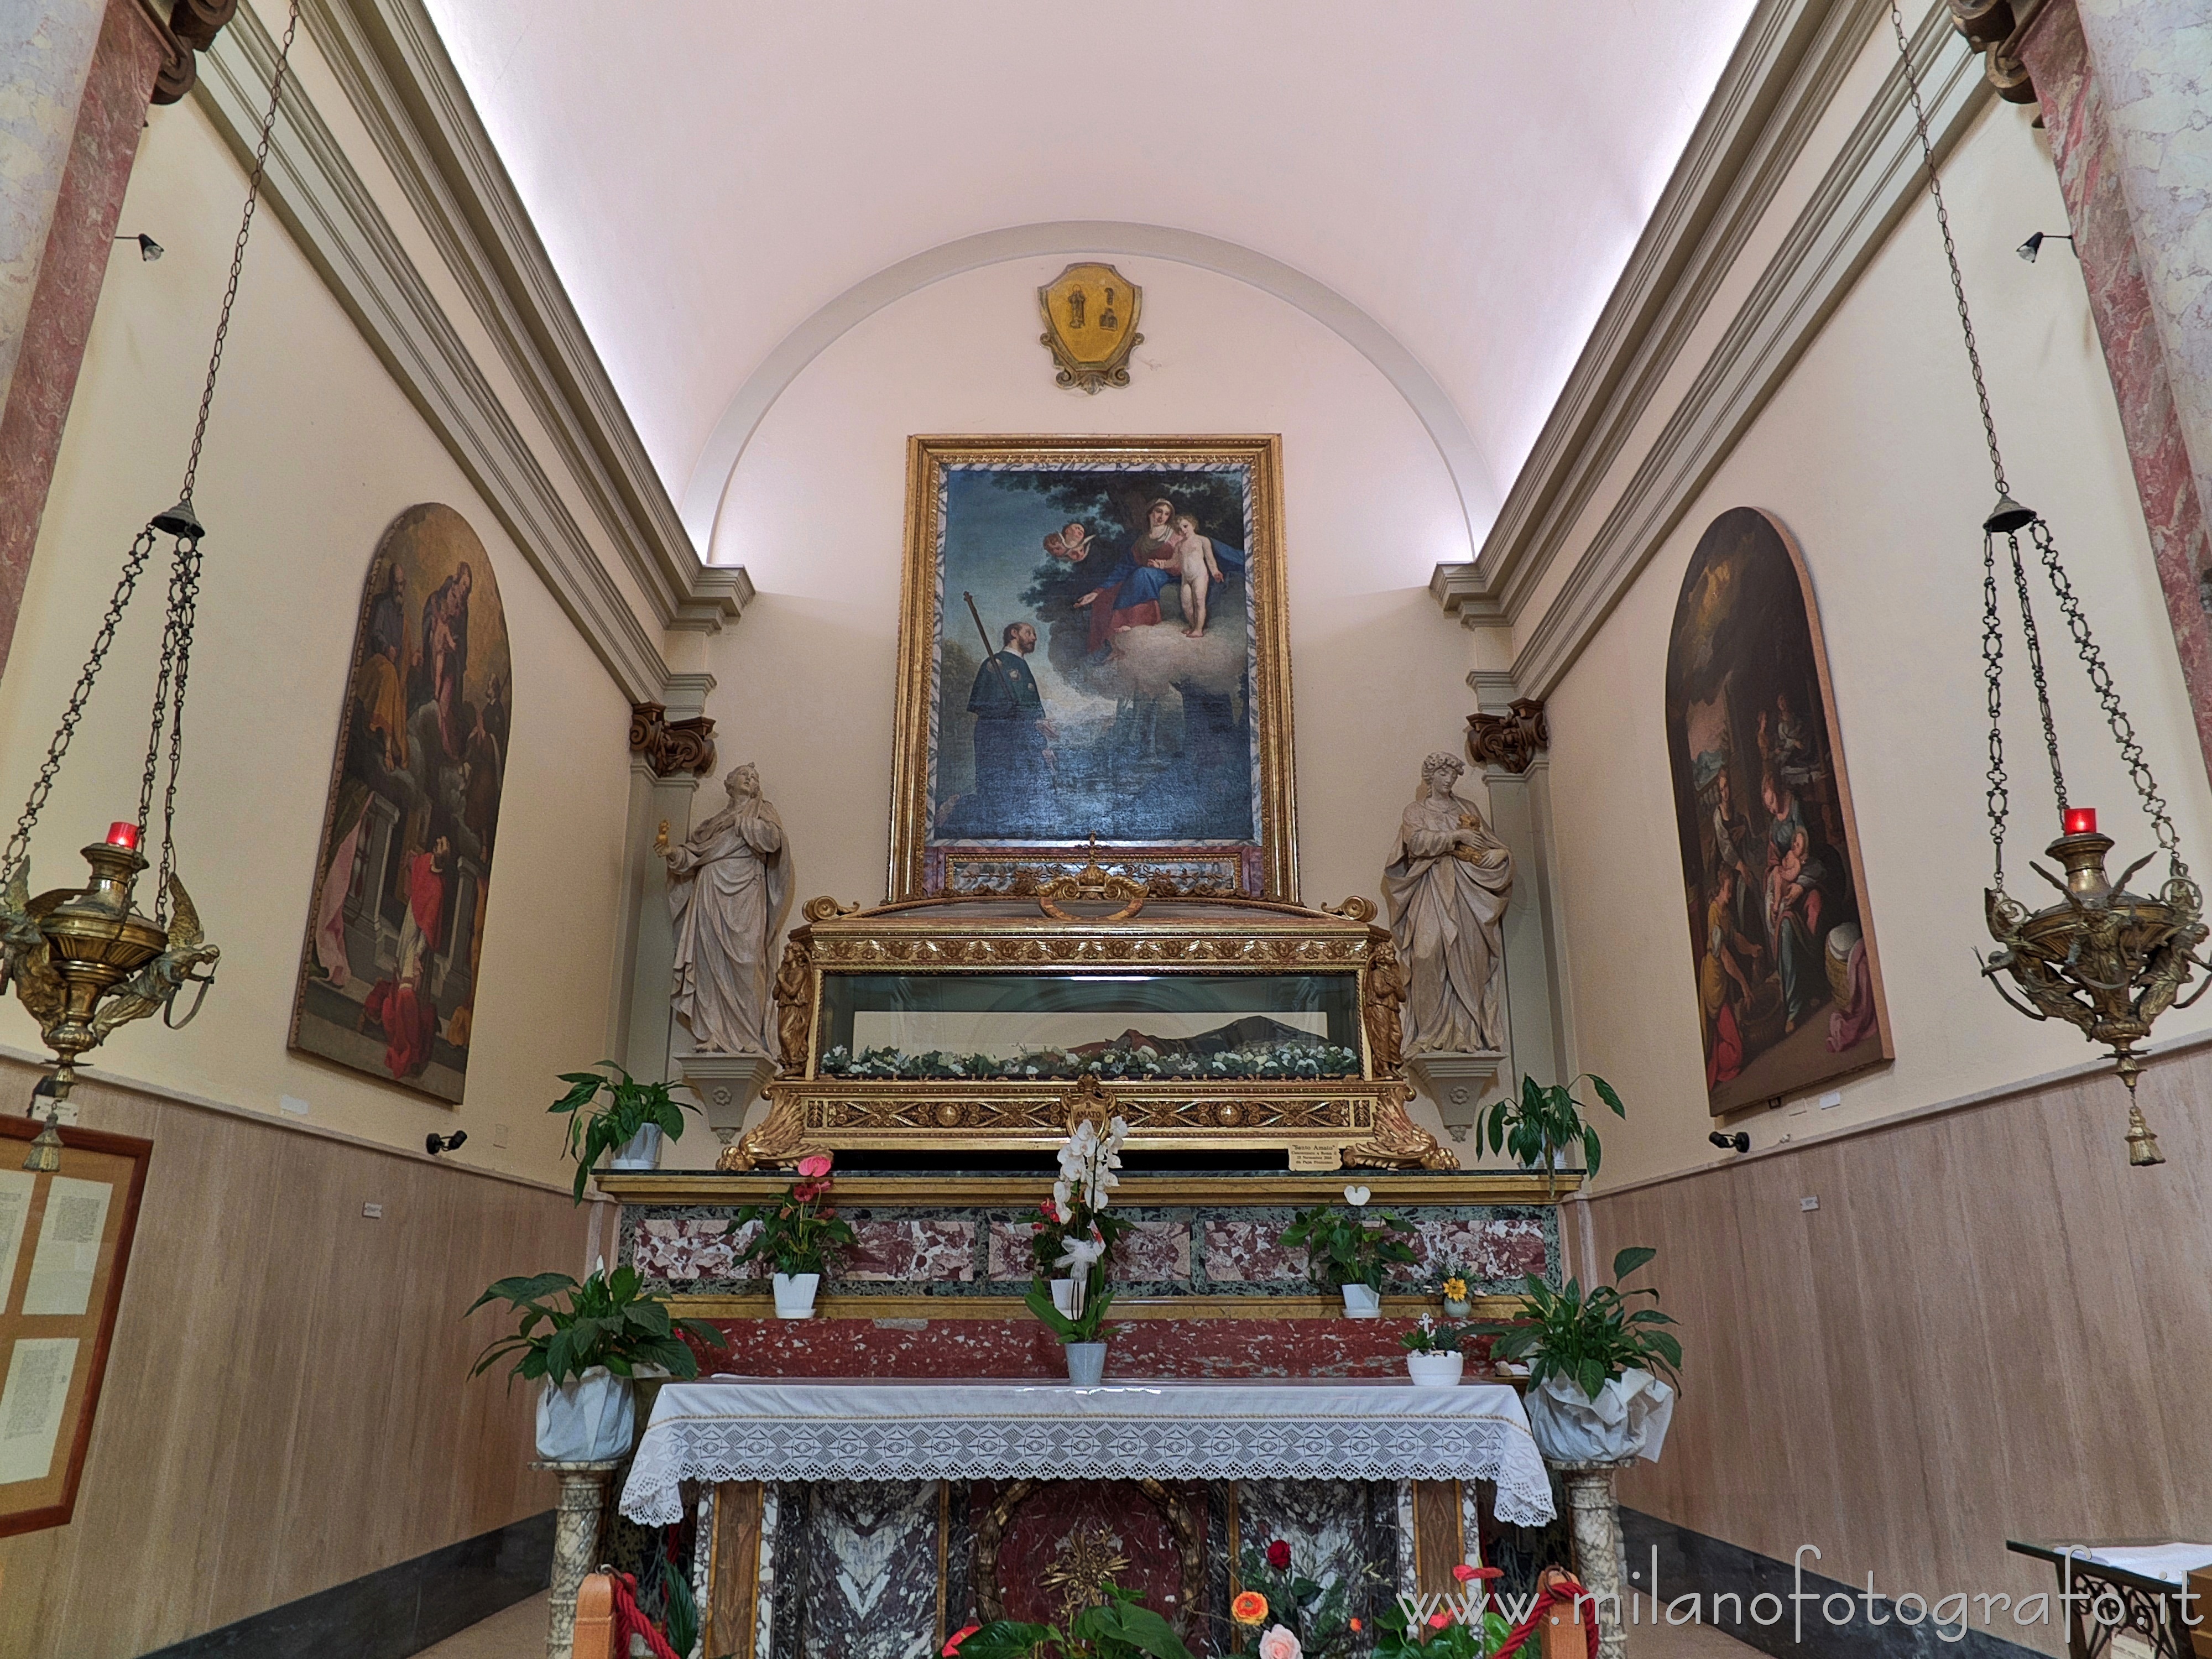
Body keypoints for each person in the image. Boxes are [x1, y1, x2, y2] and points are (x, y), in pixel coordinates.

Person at [1383, 752, 1515, 1054]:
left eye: (1453, 775)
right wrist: (1456, 836)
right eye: (1443, 774)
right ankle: (1429, 1034)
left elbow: (1491, 844)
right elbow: (1416, 842)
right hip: (1430, 887)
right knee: (1428, 953)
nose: (1449, 779)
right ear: (1431, 777)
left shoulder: (1468, 808)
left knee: (1467, 954)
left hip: (1468, 894)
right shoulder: (1416, 811)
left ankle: (1465, 1034)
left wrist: (1502, 855)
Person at [661, 763, 793, 1055]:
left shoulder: (762, 812)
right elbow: (694, 855)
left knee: (747, 960)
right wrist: (671, 852)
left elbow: (773, 842)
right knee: (709, 961)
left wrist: (745, 823)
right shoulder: (715, 821)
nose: (750, 778)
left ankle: (748, 1037)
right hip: (711, 888)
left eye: (754, 777)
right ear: (729, 784)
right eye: (744, 775)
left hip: (746, 889)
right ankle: (713, 1033)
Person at [361, 834, 451, 1079]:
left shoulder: (438, 887)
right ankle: (400, 1035)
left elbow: (428, 929)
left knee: (408, 994)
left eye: (442, 857)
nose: (437, 857)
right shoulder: (424, 863)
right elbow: (414, 863)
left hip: (416, 943)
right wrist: (411, 859)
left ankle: (408, 1047)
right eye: (438, 853)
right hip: (407, 931)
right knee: (399, 986)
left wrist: (417, 956)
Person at [966, 620, 1052, 828]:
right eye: (1029, 633)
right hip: (999, 741)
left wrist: (1039, 724)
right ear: (1014, 634)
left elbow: (1031, 708)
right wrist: (1013, 710)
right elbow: (983, 705)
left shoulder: (1021, 664)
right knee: (1000, 795)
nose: (1034, 638)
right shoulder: (994, 664)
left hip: (1021, 740)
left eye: (1034, 634)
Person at [1074, 499, 1181, 650]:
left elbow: (1185, 561)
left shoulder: (1175, 536)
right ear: (1150, 513)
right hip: (1145, 576)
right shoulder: (1142, 542)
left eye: (1166, 514)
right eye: (1159, 512)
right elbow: (1125, 567)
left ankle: (1136, 625)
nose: (1162, 516)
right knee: (1106, 596)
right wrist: (1097, 591)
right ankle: (1105, 644)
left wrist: (1164, 565)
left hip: (1169, 576)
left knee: (1143, 574)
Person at [1169, 513, 1225, 637]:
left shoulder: (1202, 540)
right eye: (1179, 529)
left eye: (1185, 526)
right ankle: (1194, 625)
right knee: (1186, 604)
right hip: (1186, 578)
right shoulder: (1179, 545)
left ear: (1193, 525)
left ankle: (1198, 630)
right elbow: (1173, 561)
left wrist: (1215, 572)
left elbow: (1210, 559)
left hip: (1200, 575)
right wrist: (1159, 564)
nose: (1183, 530)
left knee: (1199, 602)